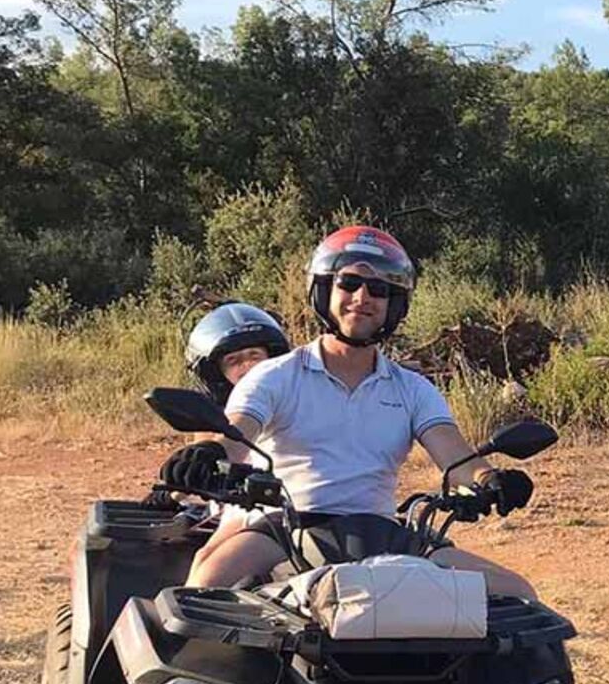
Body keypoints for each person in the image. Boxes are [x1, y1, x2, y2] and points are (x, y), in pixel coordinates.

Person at [169, 226, 540, 600]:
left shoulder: (413, 389)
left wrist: (490, 479)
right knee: (203, 589)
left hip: (383, 533)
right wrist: (210, 453)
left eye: (378, 289)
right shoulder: (275, 376)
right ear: (324, 290)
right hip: (286, 527)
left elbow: (456, 457)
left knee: (519, 594)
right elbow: (238, 434)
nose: (362, 297)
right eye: (348, 283)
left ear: (394, 304)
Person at [166, 302, 292, 567]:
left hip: (301, 502)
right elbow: (201, 471)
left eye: (254, 355)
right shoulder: (213, 415)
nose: (247, 366)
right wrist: (172, 493)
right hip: (248, 507)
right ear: (217, 372)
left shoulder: (297, 396)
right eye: (233, 361)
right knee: (206, 562)